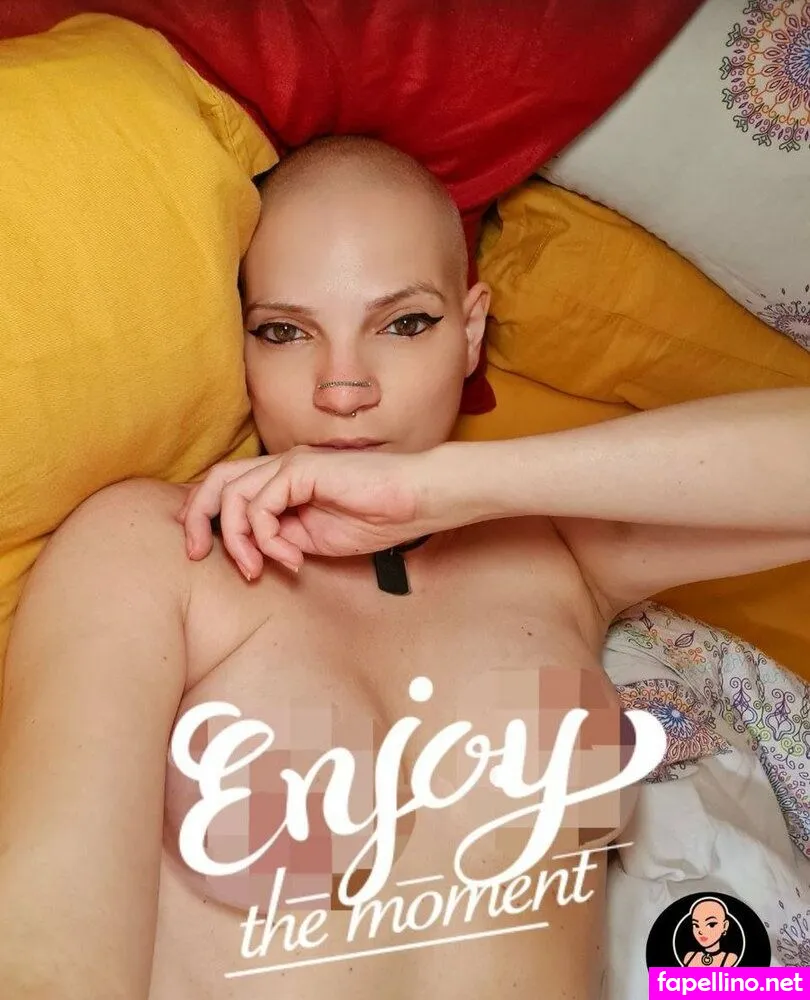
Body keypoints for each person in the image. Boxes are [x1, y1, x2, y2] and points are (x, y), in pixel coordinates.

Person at [1, 135, 808, 1000]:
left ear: (471, 332)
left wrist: (443, 487)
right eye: (284, 331)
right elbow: (46, 962)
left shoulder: (557, 555)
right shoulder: (156, 549)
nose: (343, 389)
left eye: (405, 323)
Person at [682, 898, 739, 968]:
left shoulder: (731, 959)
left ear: (725, 926)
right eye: (696, 925)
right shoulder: (689, 957)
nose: (701, 931)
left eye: (711, 924)